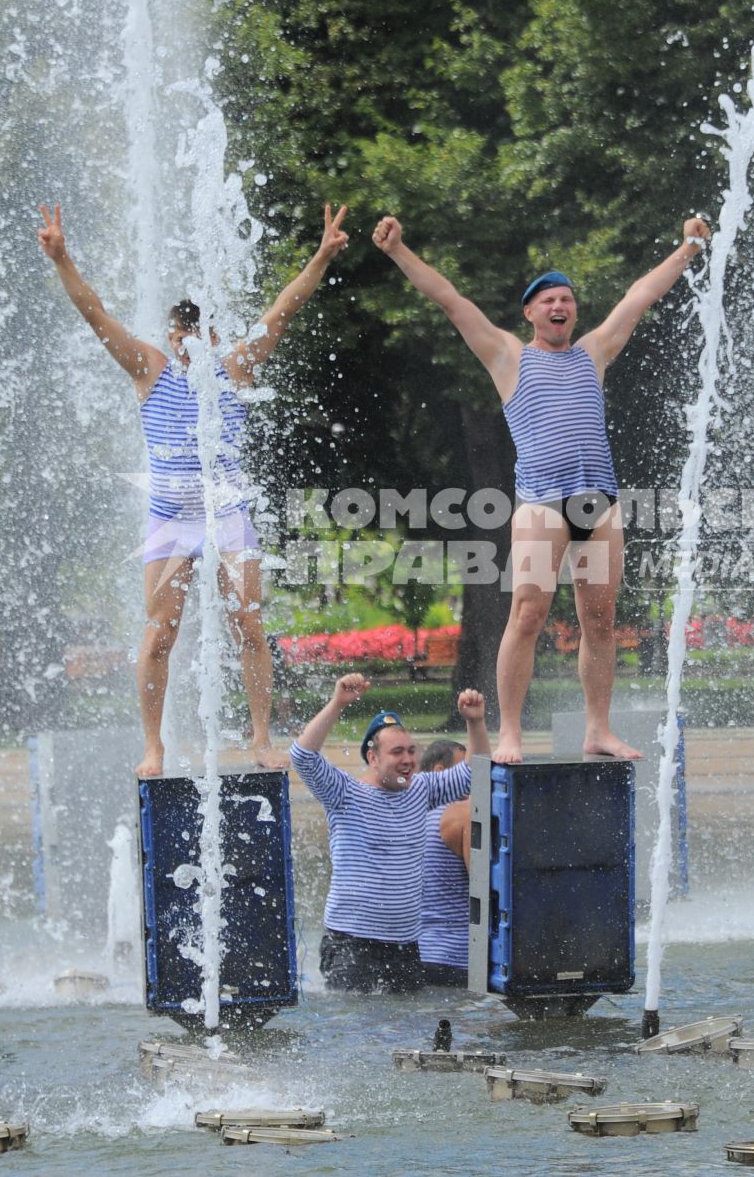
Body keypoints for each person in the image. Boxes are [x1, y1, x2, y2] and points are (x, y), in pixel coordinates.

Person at [374, 213, 711, 762]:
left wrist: (687, 249)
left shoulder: (594, 352)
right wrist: (398, 251)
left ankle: (598, 729)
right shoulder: (509, 355)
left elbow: (639, 295)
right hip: (541, 506)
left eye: (567, 300)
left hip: (597, 503)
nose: (560, 307)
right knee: (528, 613)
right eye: (548, 301)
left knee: (599, 618)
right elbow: (451, 300)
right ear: (530, 312)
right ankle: (509, 734)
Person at [37, 203, 349, 776]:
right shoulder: (148, 369)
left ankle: (260, 738)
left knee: (249, 625)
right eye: (178, 336)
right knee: (160, 634)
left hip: (227, 518)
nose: (186, 346)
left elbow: (283, 310)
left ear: (212, 336)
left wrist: (323, 255)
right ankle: (153, 745)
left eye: (196, 337)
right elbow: (95, 313)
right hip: (170, 522)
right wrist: (63, 259)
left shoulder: (235, 368)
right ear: (171, 337)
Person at [287, 675, 485, 993]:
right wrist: (338, 703)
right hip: (351, 941)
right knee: (354, 1026)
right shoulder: (344, 793)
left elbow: (474, 773)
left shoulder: (420, 789)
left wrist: (475, 723)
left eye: (411, 751)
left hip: (405, 945)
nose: (408, 760)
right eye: (397, 752)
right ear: (373, 758)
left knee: (404, 1027)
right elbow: (303, 757)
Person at [416, 723, 486, 988]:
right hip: (459, 958)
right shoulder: (463, 812)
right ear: (440, 773)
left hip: (418, 955)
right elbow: (485, 890)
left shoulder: (404, 817)